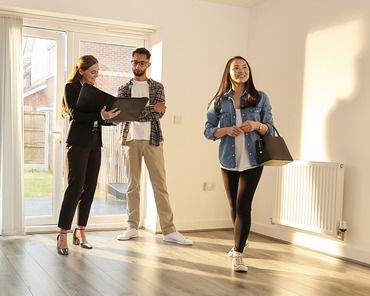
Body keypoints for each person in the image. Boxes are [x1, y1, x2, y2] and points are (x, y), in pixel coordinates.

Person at [203, 56, 274, 272]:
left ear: (249, 72)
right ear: (229, 72)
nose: (241, 71)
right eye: (236, 68)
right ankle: (240, 239)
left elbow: (270, 128)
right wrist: (225, 130)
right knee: (234, 206)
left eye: (245, 67)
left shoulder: (260, 98)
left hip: (253, 160)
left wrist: (257, 124)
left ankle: (239, 253)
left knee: (244, 206)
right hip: (228, 159)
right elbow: (208, 131)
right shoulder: (218, 101)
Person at [115, 48, 192, 246]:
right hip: (129, 140)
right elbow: (124, 114)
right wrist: (148, 109)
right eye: (134, 62)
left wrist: (136, 110)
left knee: (160, 185)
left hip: (153, 140)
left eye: (141, 62)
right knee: (132, 186)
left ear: (148, 64)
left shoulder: (157, 87)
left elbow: (159, 114)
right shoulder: (124, 88)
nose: (137, 66)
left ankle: (169, 230)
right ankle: (132, 227)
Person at [56, 55, 120, 255]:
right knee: (75, 188)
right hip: (77, 143)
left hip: (94, 143)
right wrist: (101, 116)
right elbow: (76, 115)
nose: (96, 76)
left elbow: (98, 118)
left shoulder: (93, 92)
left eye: (97, 72)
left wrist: (112, 118)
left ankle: (81, 232)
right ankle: (63, 234)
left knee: (90, 188)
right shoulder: (71, 88)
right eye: (92, 72)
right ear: (81, 70)